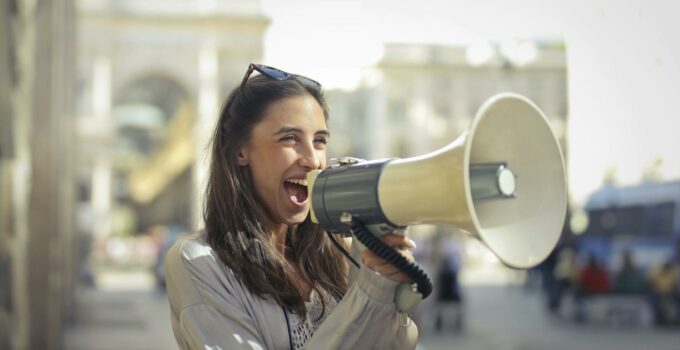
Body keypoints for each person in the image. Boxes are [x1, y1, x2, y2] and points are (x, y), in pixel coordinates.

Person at [164, 63, 419, 349]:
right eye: (289, 138)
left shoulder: (340, 253)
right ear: (240, 151)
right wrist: (369, 294)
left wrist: (390, 292)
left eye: (320, 141)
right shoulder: (199, 261)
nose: (312, 160)